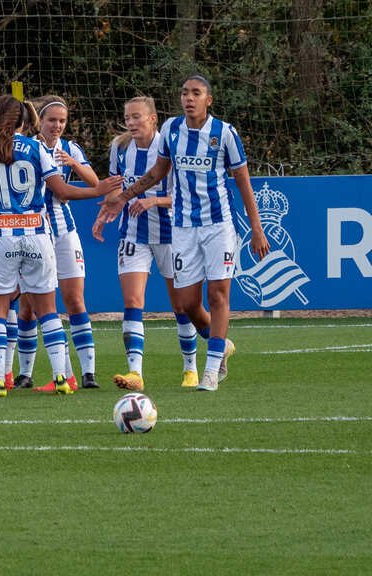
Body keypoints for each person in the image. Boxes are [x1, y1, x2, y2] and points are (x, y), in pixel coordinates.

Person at [99, 75, 270, 391]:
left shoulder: (225, 134)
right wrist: (123, 197)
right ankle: (221, 345)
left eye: (196, 93)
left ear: (209, 100)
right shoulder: (172, 131)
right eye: (184, 93)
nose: (188, 98)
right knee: (187, 304)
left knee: (218, 294)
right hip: (182, 228)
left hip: (219, 225)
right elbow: (157, 173)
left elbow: (244, 183)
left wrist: (256, 229)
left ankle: (210, 369)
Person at [0, 95, 120, 398]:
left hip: (1, 237)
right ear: (24, 122)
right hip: (38, 235)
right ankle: (62, 377)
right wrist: (96, 190)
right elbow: (62, 190)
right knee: (47, 310)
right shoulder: (36, 148)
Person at [91, 96, 199, 390]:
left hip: (171, 235)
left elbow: (186, 196)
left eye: (137, 117)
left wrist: (154, 200)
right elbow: (117, 189)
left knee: (181, 305)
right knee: (132, 302)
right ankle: (135, 373)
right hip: (133, 234)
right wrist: (104, 213)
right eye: (127, 118)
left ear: (153, 119)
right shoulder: (120, 147)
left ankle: (190, 369)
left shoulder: (171, 147)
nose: (131, 123)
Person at [27, 94, 102, 390]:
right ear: (40, 122)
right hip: (33, 230)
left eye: (62, 121)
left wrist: (74, 163)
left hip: (64, 230)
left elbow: (94, 181)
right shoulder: (27, 147)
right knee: (32, 307)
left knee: (74, 300)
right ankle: (36, 373)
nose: (57, 125)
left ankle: (88, 373)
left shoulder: (70, 148)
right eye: (51, 120)